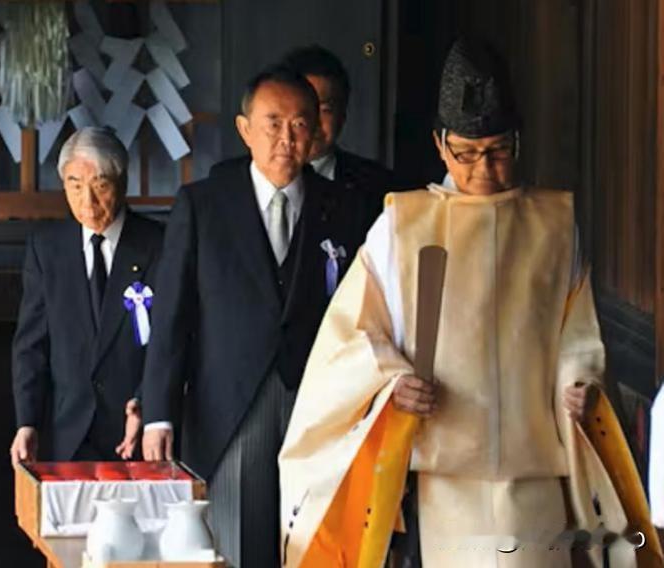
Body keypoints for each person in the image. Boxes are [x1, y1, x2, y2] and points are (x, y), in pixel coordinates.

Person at [279, 38, 662, 567]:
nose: (484, 168)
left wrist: (580, 386)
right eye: (467, 153)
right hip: (443, 475)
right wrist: (393, 382)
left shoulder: (554, 225)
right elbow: (352, 336)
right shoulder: (403, 225)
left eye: (498, 151)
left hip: (535, 472)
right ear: (440, 145)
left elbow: (577, 336)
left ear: (518, 142)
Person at [139, 66, 378, 568]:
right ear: (245, 129)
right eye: (273, 123)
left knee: (312, 541)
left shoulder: (346, 207)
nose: (286, 139)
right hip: (230, 404)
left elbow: (364, 309)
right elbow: (171, 317)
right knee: (239, 544)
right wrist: (159, 411)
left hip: (318, 403)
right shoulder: (203, 205)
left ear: (316, 131)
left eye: (300, 124)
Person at [10, 127, 163, 466]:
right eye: (75, 186)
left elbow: (171, 341)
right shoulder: (46, 248)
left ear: (122, 181)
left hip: (137, 433)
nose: (87, 203)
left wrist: (147, 403)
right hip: (67, 433)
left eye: (100, 186)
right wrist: (27, 422)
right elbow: (31, 346)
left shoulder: (159, 245)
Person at [282, 44, 394, 196]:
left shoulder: (379, 185)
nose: (312, 122)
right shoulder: (253, 178)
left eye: (325, 110)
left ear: (342, 117)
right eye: (303, 109)